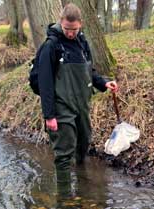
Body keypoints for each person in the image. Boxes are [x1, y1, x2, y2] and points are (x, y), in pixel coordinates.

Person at [37, 3, 119, 177]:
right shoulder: (51, 46)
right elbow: (45, 84)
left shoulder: (82, 43)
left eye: (73, 29)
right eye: (67, 28)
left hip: (81, 105)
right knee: (64, 154)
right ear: (61, 22)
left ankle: (83, 187)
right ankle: (65, 200)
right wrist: (49, 115)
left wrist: (103, 83)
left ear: (80, 24)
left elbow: (89, 71)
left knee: (83, 144)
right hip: (61, 107)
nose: (70, 33)